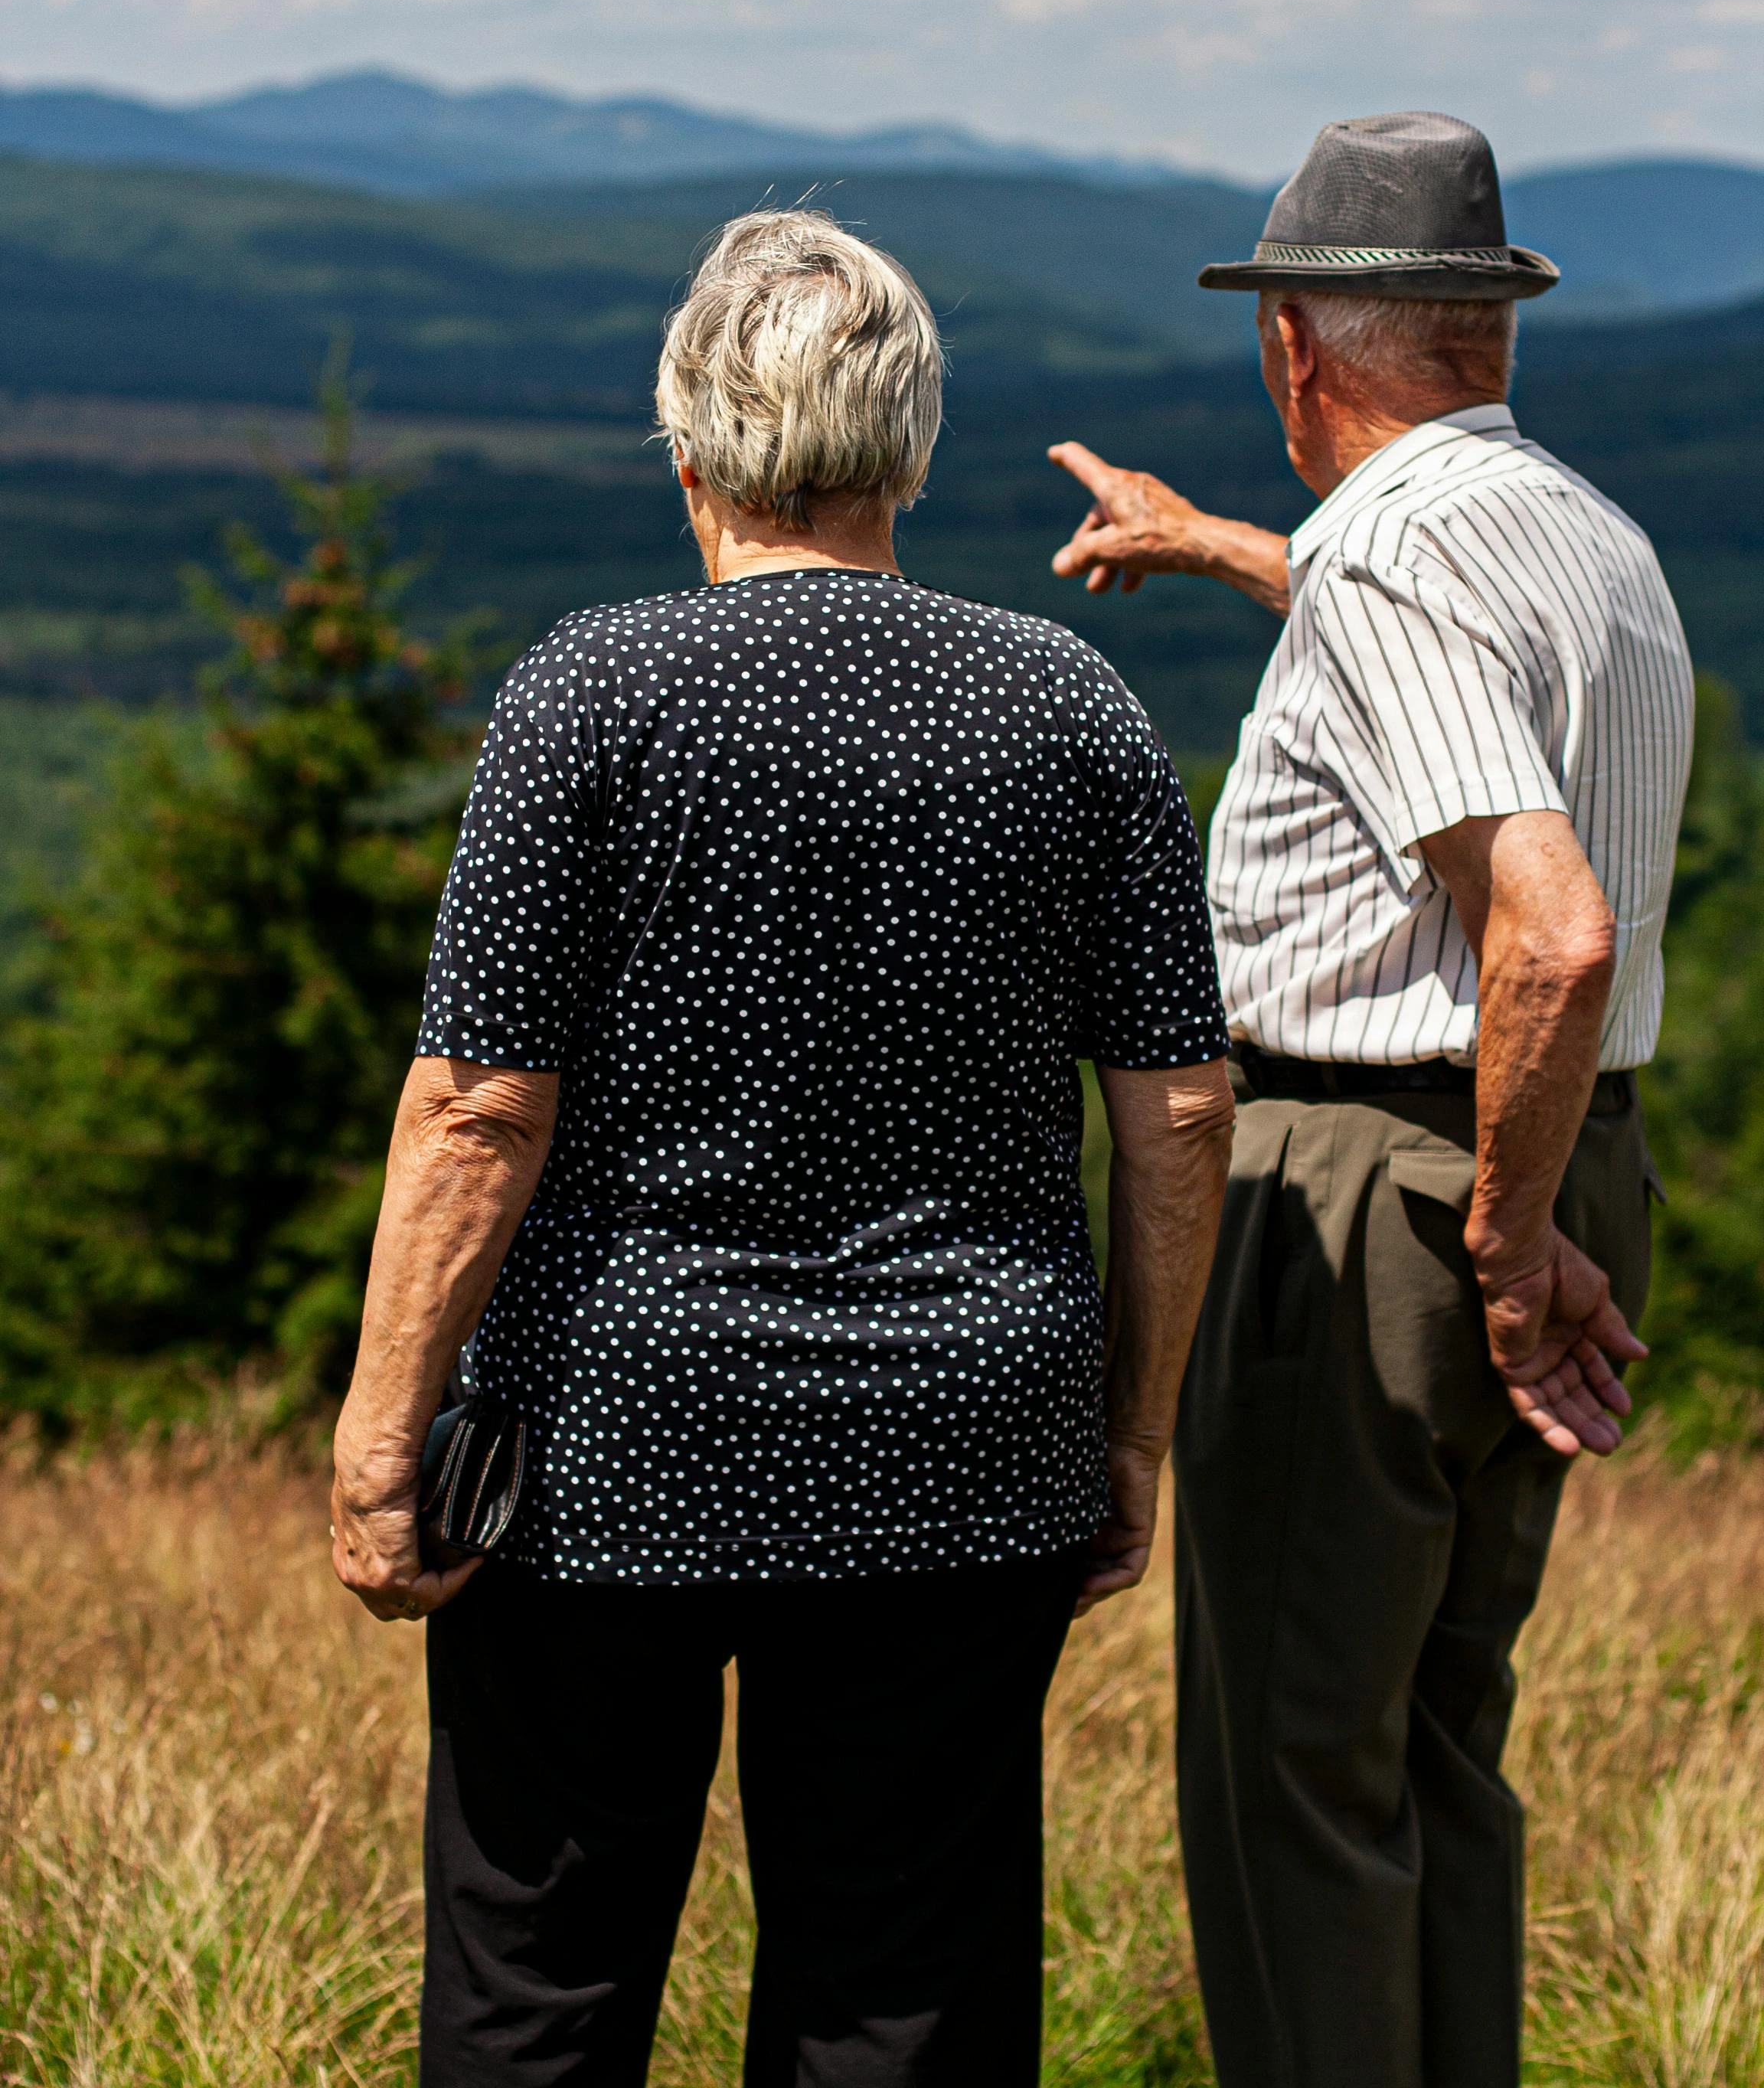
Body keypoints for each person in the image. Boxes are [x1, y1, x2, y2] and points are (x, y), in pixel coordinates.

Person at [331, 207, 1236, 2088]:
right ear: (910, 449)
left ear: (688, 455)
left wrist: (376, 1430)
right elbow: (1179, 1108)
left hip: (608, 1436)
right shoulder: (1069, 705)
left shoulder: (591, 692)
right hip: (962, 1444)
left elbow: (481, 1103)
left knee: (542, 1978)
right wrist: (1129, 1431)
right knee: (900, 1995)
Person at [1049, 113, 1694, 2088]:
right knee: (1433, 1751)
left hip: (1376, 1188)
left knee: (1290, 1783)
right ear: (1490, 332)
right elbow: (1430, 668)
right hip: (1568, 1152)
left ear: (1298, 354)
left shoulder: (1390, 559)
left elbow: (1551, 931)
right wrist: (1226, 544)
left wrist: (1490, 1241)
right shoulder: (1584, 537)